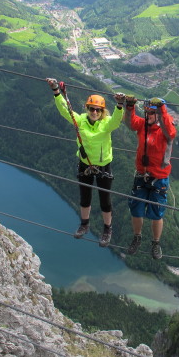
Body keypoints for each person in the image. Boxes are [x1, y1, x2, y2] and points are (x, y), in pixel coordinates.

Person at [47, 78, 125, 247]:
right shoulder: (80, 121)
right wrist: (56, 92)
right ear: (87, 108)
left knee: (105, 199)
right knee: (85, 197)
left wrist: (119, 106)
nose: (94, 112)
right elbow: (65, 110)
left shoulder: (106, 124)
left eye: (98, 110)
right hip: (85, 164)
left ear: (103, 111)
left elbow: (116, 121)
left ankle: (107, 229)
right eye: (91, 109)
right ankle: (84, 225)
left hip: (103, 165)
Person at [123, 95, 176, 259]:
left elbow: (171, 132)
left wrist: (161, 109)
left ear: (158, 115)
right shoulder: (143, 125)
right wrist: (130, 106)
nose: (147, 116)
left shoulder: (165, 130)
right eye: (146, 113)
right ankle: (137, 238)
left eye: (151, 114)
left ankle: (155, 243)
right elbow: (131, 123)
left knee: (156, 213)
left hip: (159, 178)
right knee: (136, 210)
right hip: (141, 175)